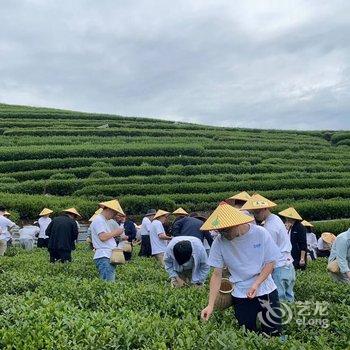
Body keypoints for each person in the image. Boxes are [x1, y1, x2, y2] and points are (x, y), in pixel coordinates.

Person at [200, 202, 282, 336]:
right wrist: (210, 305)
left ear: (236, 224)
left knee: (273, 332)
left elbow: (270, 262)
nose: (223, 234)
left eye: (226, 230)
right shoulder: (219, 242)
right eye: (220, 231)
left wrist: (256, 284)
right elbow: (216, 274)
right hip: (240, 293)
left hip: (265, 289)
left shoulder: (260, 233)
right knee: (248, 333)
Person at [241, 195, 295, 303]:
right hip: (288, 265)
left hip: (279, 267)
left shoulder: (270, 227)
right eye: (254, 213)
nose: (256, 215)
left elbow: (268, 253)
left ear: (265, 208)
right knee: (289, 298)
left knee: (280, 301)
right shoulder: (275, 218)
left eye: (257, 212)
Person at [90, 199, 125, 281]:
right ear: (109, 209)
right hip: (104, 256)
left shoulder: (103, 220)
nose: (115, 215)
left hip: (107, 256)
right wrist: (117, 232)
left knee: (108, 282)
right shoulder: (99, 220)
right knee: (108, 284)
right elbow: (103, 237)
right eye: (115, 213)